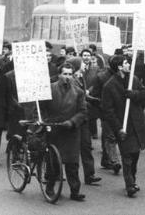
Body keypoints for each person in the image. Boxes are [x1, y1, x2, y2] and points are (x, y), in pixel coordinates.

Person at [101, 55, 145, 198]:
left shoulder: (133, 79)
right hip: (123, 126)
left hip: (137, 123)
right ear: (119, 67)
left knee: (135, 154)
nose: (129, 65)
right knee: (127, 156)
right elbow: (108, 111)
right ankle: (129, 185)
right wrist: (118, 128)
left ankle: (132, 179)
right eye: (126, 63)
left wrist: (134, 94)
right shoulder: (109, 86)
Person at [41, 63, 88, 201]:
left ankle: (75, 191)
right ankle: (50, 187)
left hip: (71, 131)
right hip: (54, 129)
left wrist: (72, 122)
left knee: (72, 163)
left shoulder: (78, 91)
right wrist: (44, 120)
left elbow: (83, 111)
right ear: (59, 75)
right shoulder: (50, 89)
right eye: (65, 74)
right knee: (53, 162)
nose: (67, 77)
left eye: (70, 74)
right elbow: (42, 108)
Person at [69, 56, 102, 185]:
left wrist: (93, 100)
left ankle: (90, 174)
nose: (84, 64)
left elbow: (84, 95)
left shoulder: (81, 78)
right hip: (74, 118)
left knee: (86, 146)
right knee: (72, 150)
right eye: (82, 63)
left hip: (83, 119)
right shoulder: (72, 80)